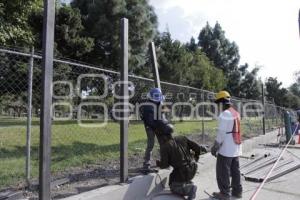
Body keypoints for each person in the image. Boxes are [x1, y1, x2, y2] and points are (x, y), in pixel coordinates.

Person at [156, 121, 208, 200]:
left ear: (162, 136)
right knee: (174, 176)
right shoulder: (182, 138)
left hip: (182, 172)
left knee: (172, 186)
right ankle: (187, 182)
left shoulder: (165, 147)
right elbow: (197, 148)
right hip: (193, 167)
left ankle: (189, 189)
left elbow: (165, 165)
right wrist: (196, 158)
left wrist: (158, 163)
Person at [210, 91, 243, 200]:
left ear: (222, 102)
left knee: (222, 171)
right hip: (236, 147)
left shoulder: (225, 114)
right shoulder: (236, 113)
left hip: (226, 148)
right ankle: (237, 192)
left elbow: (221, 133)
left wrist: (215, 147)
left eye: (218, 104)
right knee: (235, 171)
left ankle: (224, 193)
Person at [140, 88, 168, 170]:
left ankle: (164, 160)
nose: (158, 100)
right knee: (151, 144)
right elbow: (149, 121)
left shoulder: (160, 103)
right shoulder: (147, 106)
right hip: (150, 127)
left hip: (158, 125)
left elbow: (164, 113)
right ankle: (146, 162)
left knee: (162, 142)